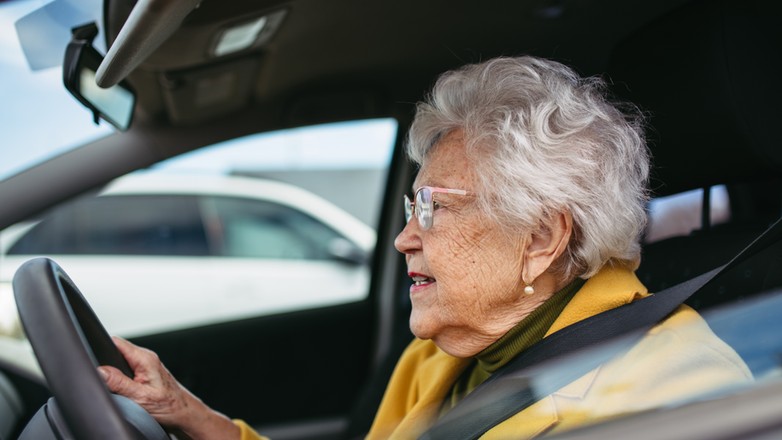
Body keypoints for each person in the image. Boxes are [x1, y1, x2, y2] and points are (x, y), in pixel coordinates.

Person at [99, 56, 752, 439]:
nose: (403, 237)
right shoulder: (438, 355)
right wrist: (194, 418)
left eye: (432, 209)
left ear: (540, 239)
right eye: (413, 207)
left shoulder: (666, 396)